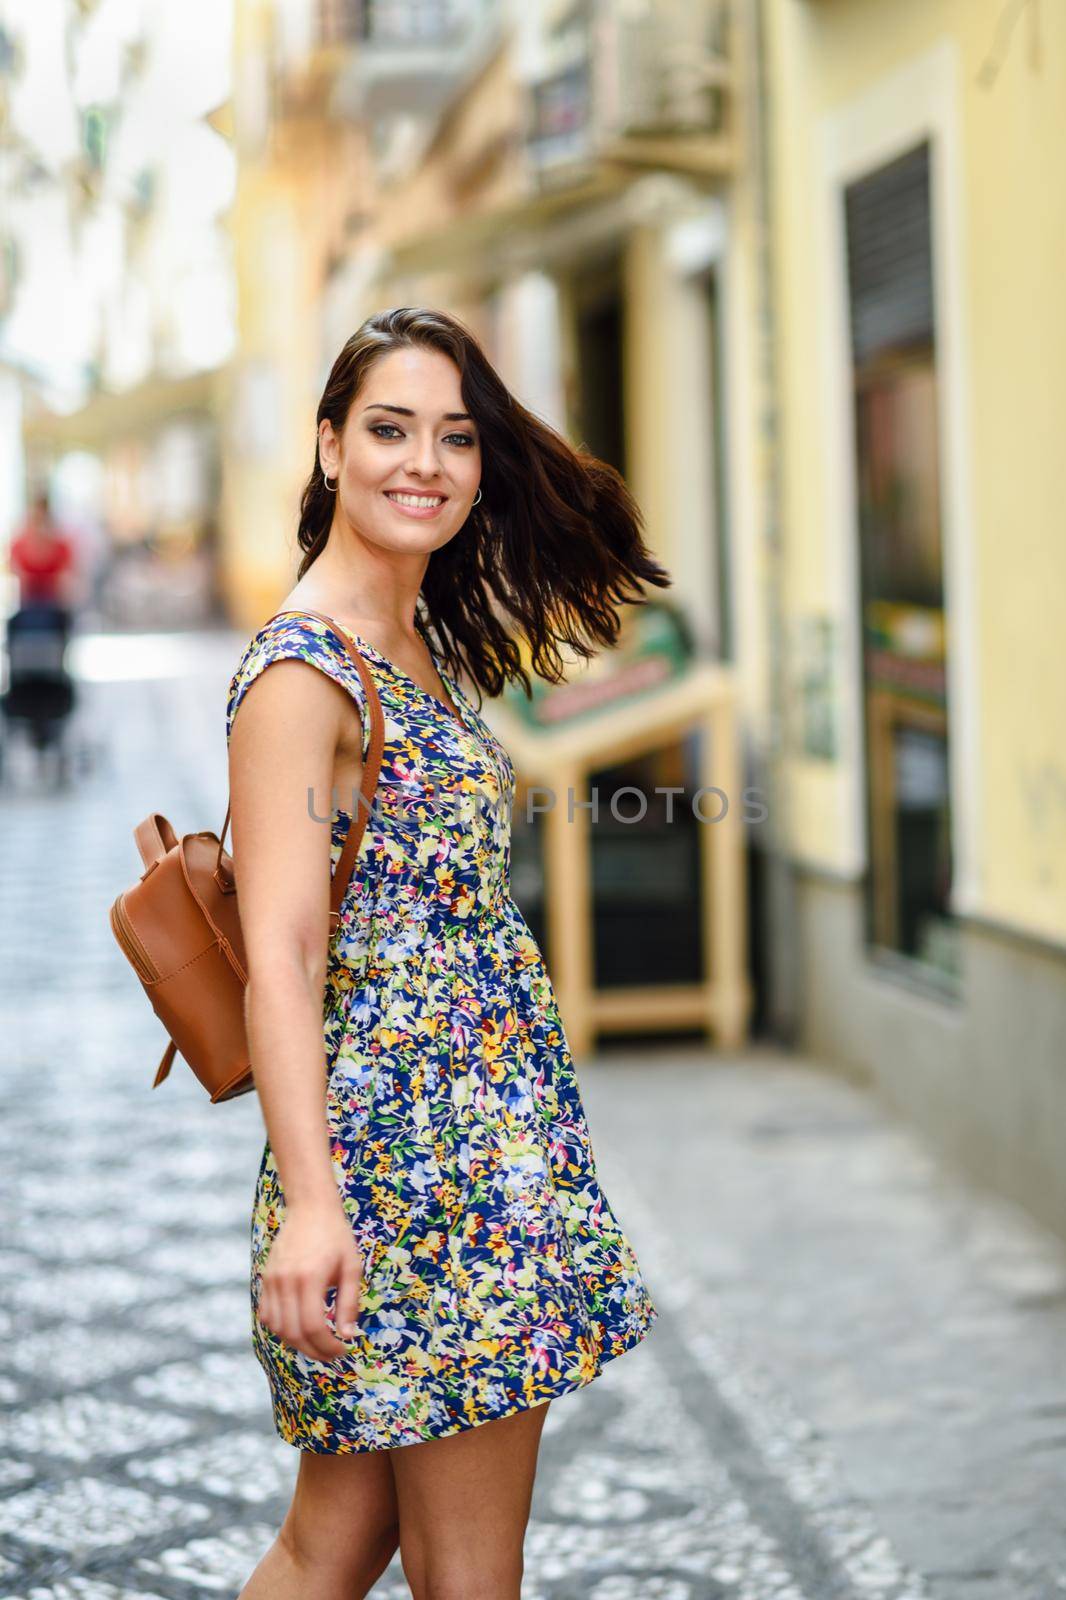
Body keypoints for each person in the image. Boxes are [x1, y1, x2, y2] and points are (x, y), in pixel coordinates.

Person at [227, 307, 670, 1600]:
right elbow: (283, 955)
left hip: (474, 1142)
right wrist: (314, 1203)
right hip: (421, 1171)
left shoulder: (410, 642)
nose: (423, 461)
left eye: (455, 436)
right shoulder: (304, 674)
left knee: (338, 1542)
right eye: (388, 430)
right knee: (470, 1573)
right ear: (327, 450)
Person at [7, 491, 78, 625]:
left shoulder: (61, 547)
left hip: (53, 609)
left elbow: (66, 585)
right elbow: (17, 580)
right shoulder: (18, 546)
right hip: (26, 608)